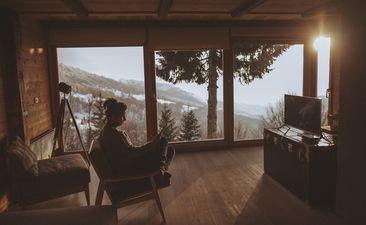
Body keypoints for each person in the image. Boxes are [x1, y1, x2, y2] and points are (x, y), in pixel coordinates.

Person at [98, 98, 175, 185]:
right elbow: (133, 152)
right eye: (122, 116)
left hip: (131, 162)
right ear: (113, 117)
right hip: (131, 167)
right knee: (163, 142)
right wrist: (152, 145)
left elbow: (129, 151)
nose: (125, 119)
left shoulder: (107, 131)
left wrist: (151, 146)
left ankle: (160, 171)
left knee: (169, 150)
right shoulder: (112, 135)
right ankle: (159, 172)